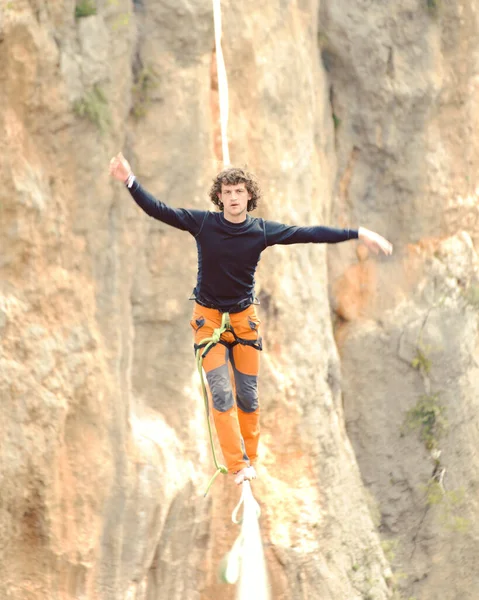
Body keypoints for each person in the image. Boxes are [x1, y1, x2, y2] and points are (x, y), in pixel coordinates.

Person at [109, 153, 393, 485]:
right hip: (209, 321)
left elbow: (310, 233)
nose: (232, 198)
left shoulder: (261, 232)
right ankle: (238, 464)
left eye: (239, 192)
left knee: (248, 395)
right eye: (227, 192)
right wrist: (130, 180)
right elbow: (159, 210)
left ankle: (250, 458)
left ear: (249, 197)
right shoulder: (203, 224)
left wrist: (358, 233)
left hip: (244, 321)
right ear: (219, 197)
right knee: (221, 394)